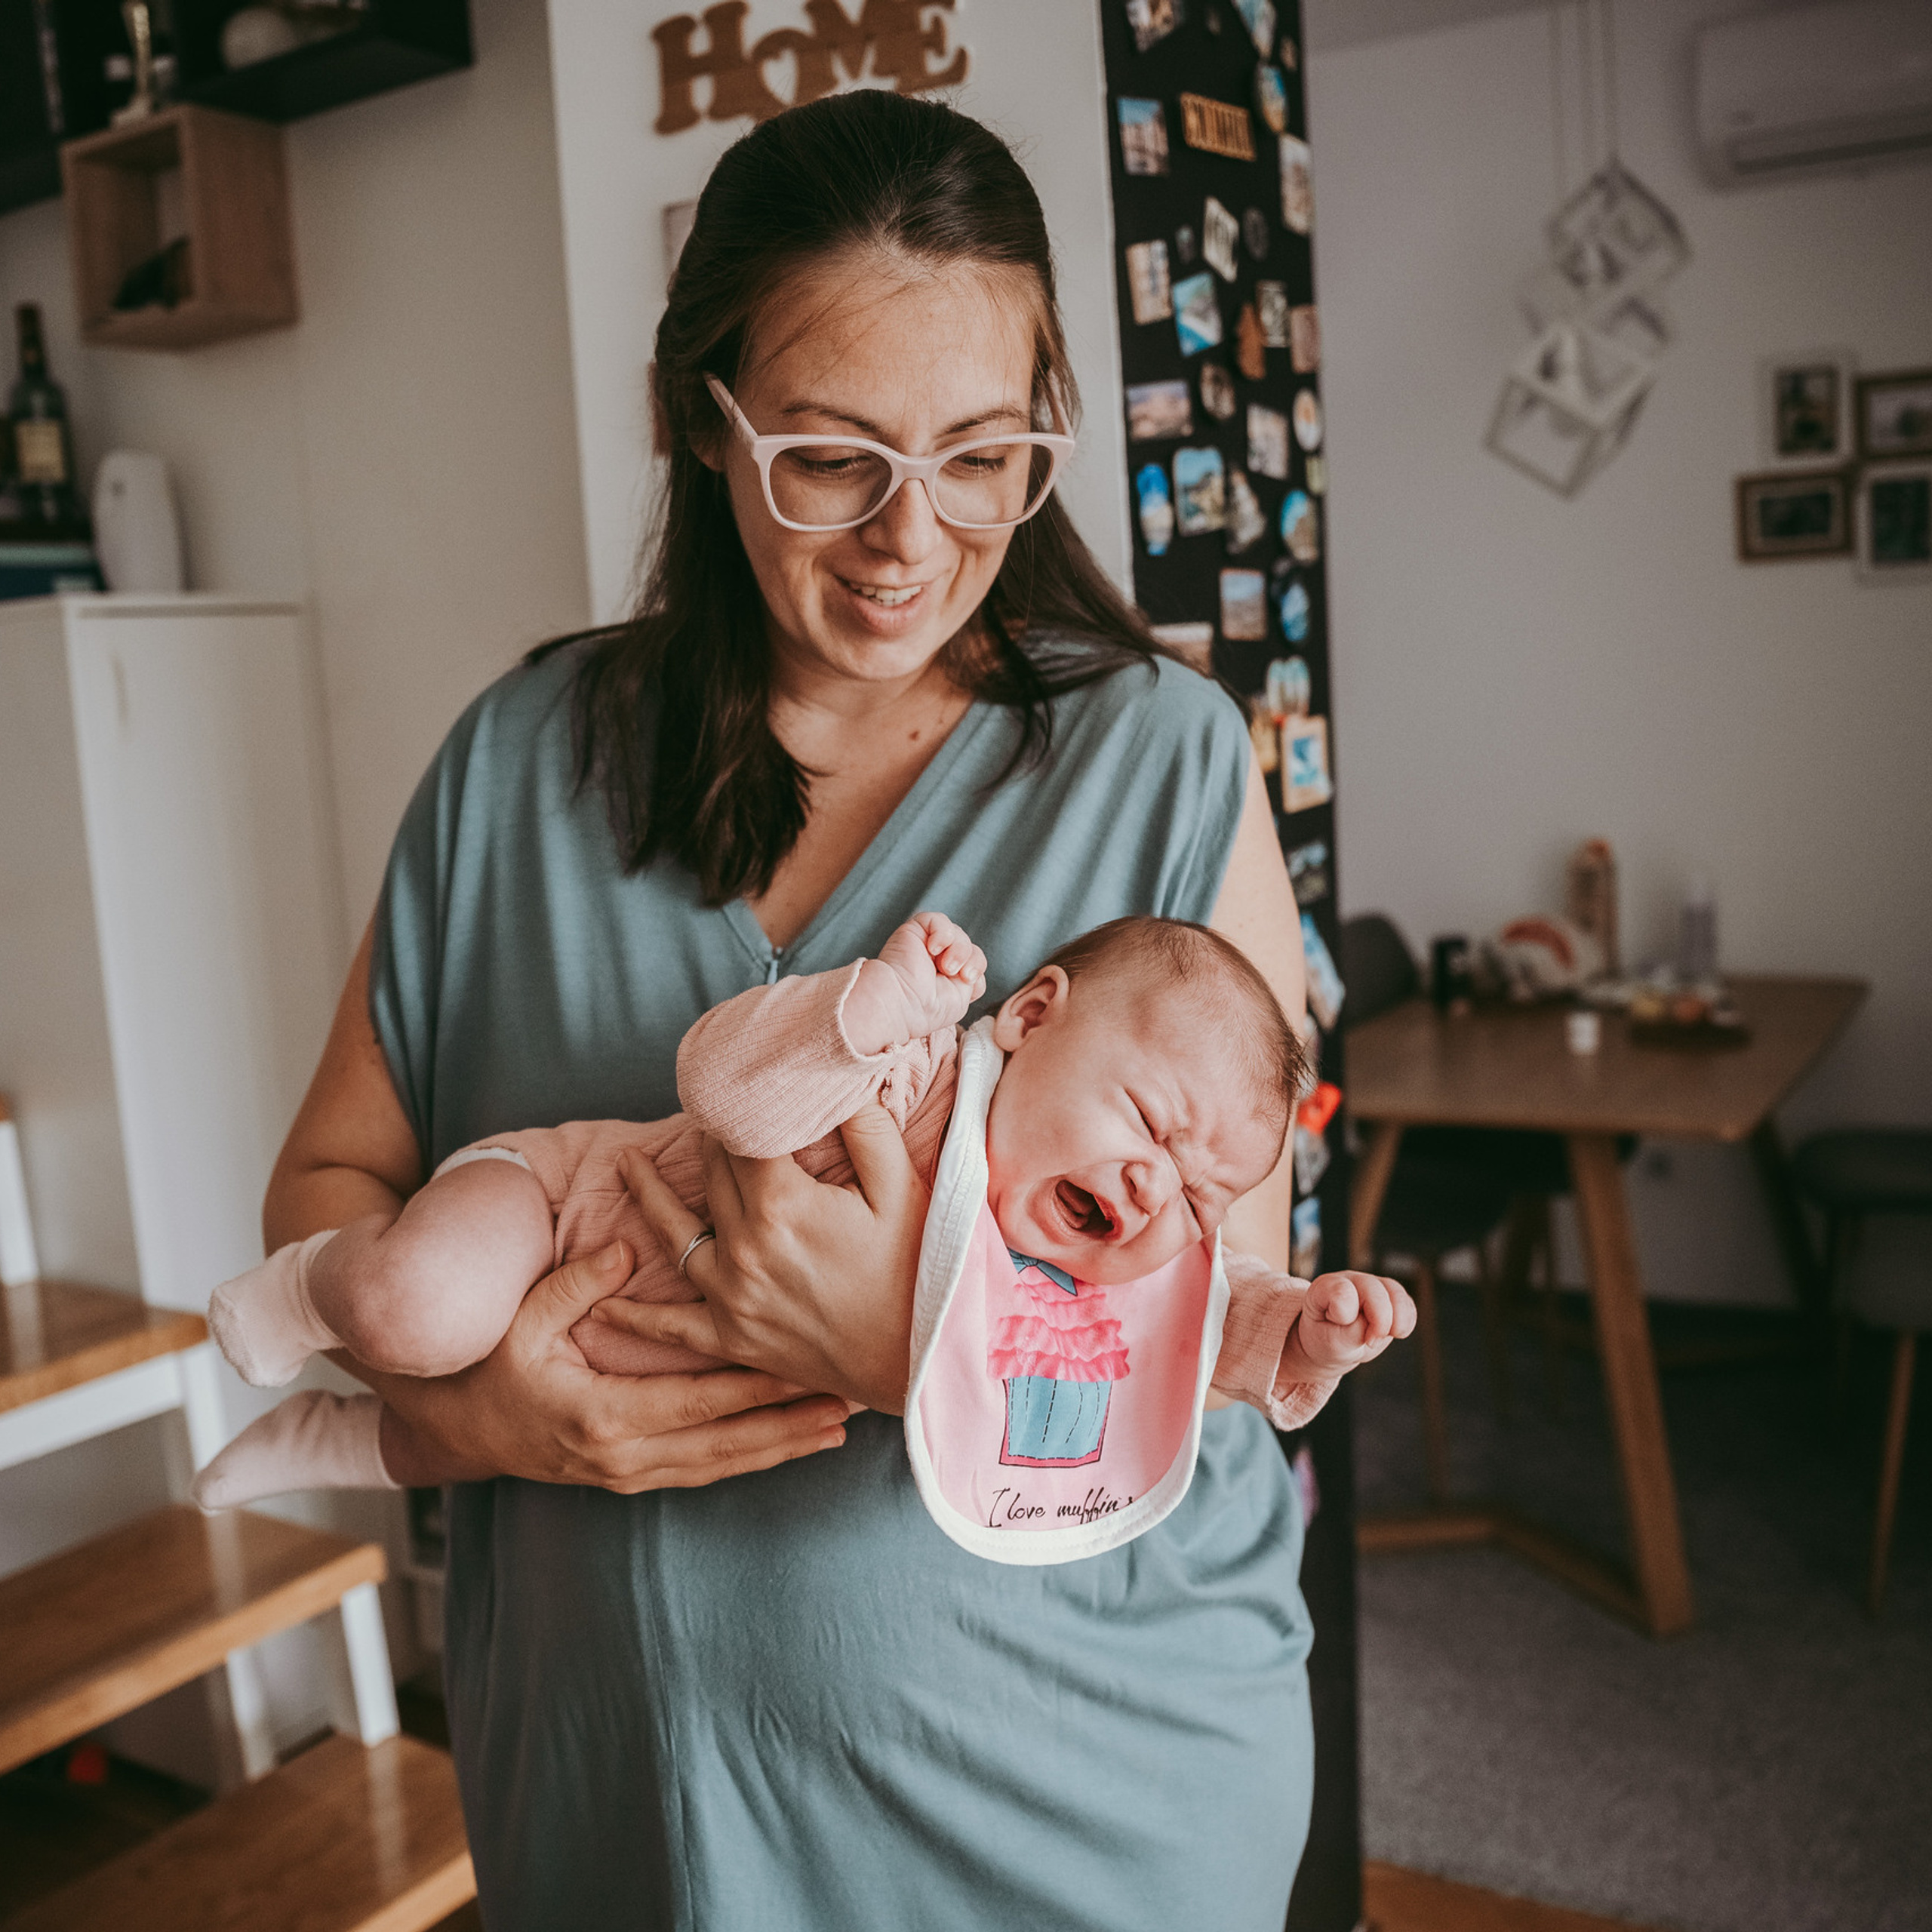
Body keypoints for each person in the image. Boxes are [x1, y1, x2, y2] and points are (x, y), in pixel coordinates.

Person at [270, 88, 1343, 1927]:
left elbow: (1223, 1360)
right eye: (830, 460)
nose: (908, 542)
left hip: (1085, 1800)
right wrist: (478, 1420)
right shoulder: (511, 764)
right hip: (616, 1808)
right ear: (705, 420)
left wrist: (912, 1352)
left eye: (983, 455)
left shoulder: (1161, 761)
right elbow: (327, 1196)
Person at [197, 911, 1411, 1516]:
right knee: (418, 1308)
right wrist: (864, 1012)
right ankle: (302, 1291)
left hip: (612, 1375)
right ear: (1031, 1020)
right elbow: (720, 1086)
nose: (1158, 1192)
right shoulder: (923, 1073)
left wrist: (1297, 1331)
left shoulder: (1088, 1264)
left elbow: (1191, 1324)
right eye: (1149, 1123)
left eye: (1202, 1196)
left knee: (475, 1405)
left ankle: (350, 1447)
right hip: (559, 1210)